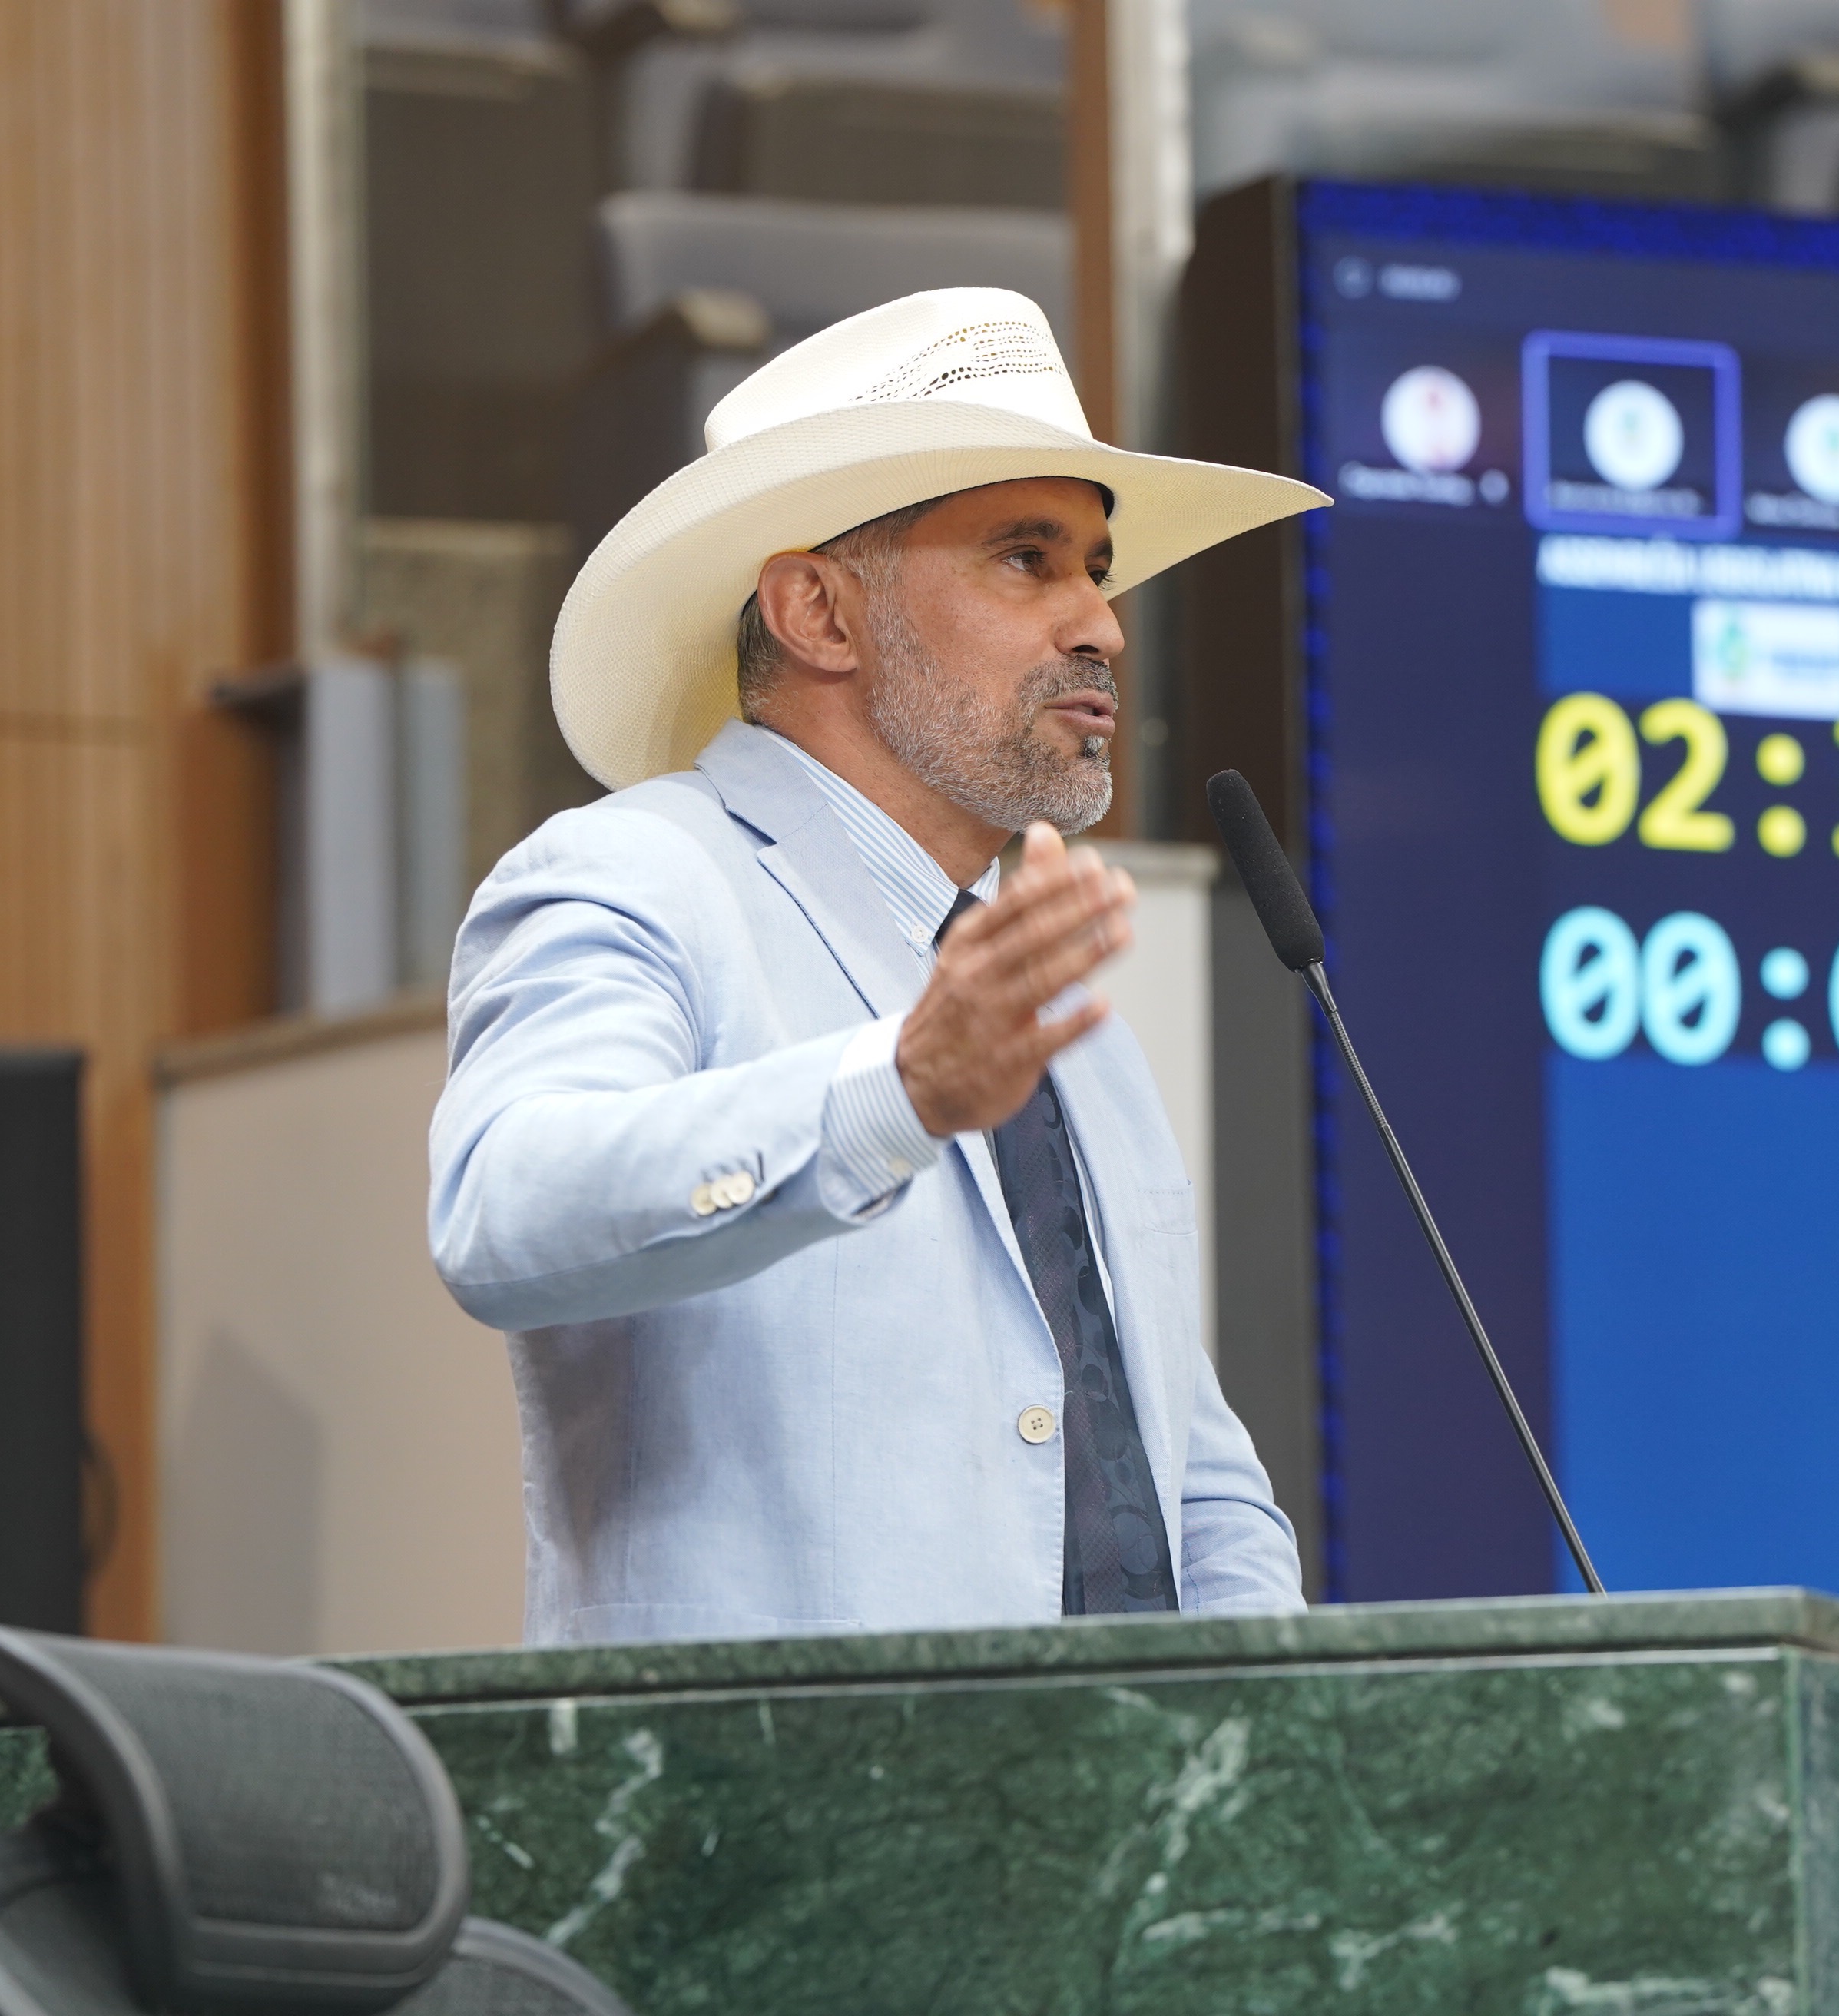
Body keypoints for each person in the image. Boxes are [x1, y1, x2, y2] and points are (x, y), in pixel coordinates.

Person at [428, 289, 1328, 1643]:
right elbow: (505, 1213)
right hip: (790, 1773)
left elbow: (1182, 1469)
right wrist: (892, 1095)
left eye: (1097, 568)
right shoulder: (635, 875)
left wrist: (1273, 1712)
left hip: (1137, 1773)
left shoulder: (1052, 1002)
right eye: (1027, 559)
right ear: (820, 614)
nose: (1102, 625)